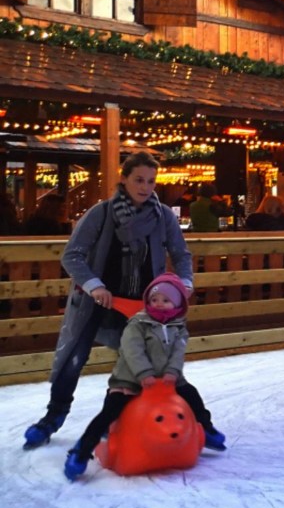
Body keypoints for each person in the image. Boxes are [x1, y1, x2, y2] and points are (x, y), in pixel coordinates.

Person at [23, 152, 194, 450]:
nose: (145, 187)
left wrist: (185, 282)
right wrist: (94, 285)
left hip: (141, 308)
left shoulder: (162, 215)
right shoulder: (101, 213)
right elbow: (72, 255)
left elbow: (181, 254)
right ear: (124, 178)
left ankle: (114, 419)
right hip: (96, 302)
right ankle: (53, 417)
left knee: (134, 364)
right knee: (73, 359)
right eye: (139, 179)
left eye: (151, 181)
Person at [63, 273, 225, 481]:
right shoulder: (138, 323)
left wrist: (173, 372)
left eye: (165, 301)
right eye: (154, 300)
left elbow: (178, 352)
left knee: (192, 396)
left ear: (176, 303)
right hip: (130, 379)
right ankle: (81, 452)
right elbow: (132, 351)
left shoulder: (178, 327)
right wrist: (144, 373)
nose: (159, 304)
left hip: (167, 380)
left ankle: (207, 430)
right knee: (109, 413)